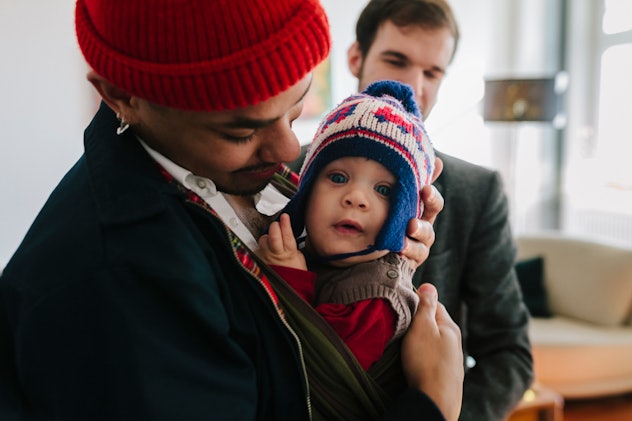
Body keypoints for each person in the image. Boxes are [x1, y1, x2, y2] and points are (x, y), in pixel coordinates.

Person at [0, 1, 463, 420]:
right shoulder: (120, 282)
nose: (286, 150)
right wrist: (431, 402)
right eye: (241, 133)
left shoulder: (226, 175)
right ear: (123, 98)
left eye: (296, 107)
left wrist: (377, 257)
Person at [345, 0, 534, 419]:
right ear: (356, 57)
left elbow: (509, 354)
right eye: (396, 60)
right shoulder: (286, 173)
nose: (414, 87)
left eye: (433, 73)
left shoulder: (477, 192)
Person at [257, 80, 436, 371]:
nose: (356, 198)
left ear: (405, 214)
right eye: (338, 178)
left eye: (384, 190)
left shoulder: (375, 301)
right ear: (306, 192)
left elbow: (311, 376)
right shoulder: (302, 247)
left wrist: (289, 280)